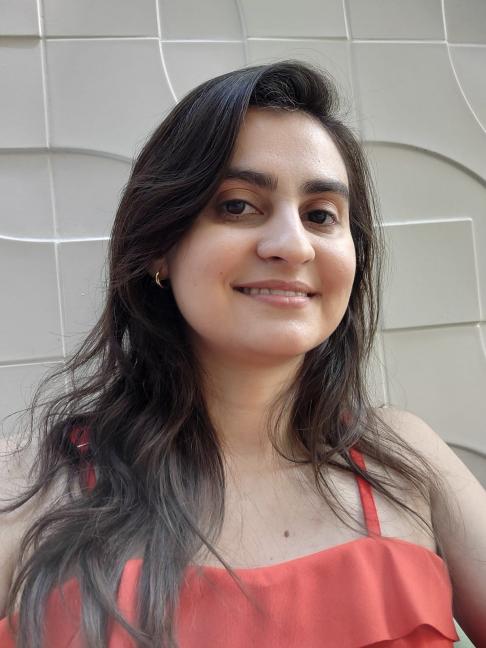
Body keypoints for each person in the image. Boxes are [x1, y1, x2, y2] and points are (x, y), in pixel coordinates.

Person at [0, 60, 484, 648]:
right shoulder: (24, 485)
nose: (292, 246)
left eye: (320, 215)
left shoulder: (408, 461)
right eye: (237, 205)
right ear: (159, 246)